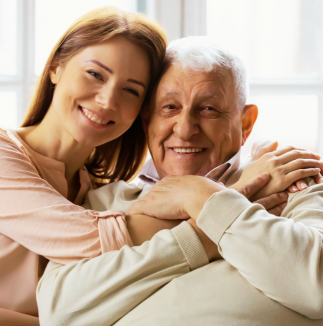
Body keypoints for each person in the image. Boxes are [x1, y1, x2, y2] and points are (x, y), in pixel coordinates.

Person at [37, 37, 323, 326]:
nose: (185, 129)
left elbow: (316, 287)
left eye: (209, 109)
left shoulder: (291, 179)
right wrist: (208, 224)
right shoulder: (104, 201)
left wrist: (200, 194)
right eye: (170, 107)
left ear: (245, 123)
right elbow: (59, 313)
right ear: (147, 121)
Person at [0, 7, 168, 326]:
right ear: (55, 68)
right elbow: (95, 241)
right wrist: (222, 210)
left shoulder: (97, 193)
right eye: (95, 74)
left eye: (130, 90)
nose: (107, 101)